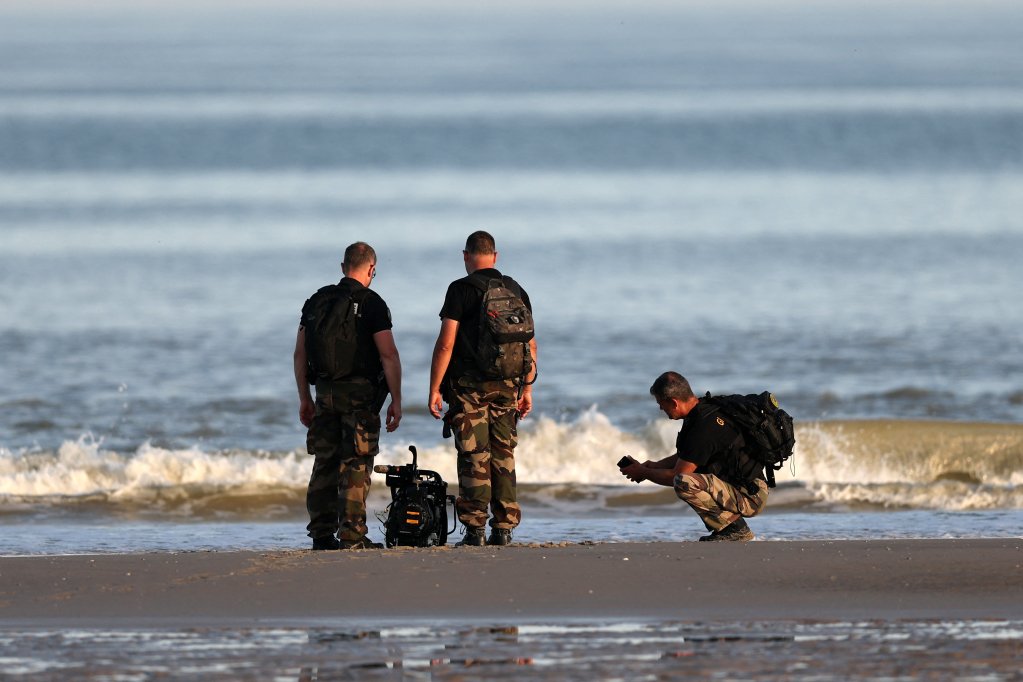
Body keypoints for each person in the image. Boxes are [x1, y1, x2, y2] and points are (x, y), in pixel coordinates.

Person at [428, 231, 537, 546]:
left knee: (474, 455)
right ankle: (503, 529)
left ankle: (475, 529)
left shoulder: (460, 290)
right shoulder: (514, 289)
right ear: (495, 256)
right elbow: (529, 343)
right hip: (508, 386)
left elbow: (445, 344)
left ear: (466, 256)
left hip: (469, 388)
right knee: (503, 454)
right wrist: (527, 389)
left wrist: (435, 388)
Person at [294, 242, 402, 550]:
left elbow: (300, 355)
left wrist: (305, 397)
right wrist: (396, 399)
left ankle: (321, 535)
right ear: (371, 269)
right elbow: (389, 355)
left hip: (324, 392)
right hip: (360, 396)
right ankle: (353, 536)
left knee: (324, 462)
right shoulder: (372, 303)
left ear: (343, 268)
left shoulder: (317, 301)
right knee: (356, 463)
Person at [619, 372, 768, 541]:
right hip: (741, 487)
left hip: (750, 496)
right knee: (685, 478)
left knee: (684, 482)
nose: (660, 409)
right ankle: (730, 527)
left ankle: (734, 529)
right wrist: (652, 466)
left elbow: (678, 475)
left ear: (674, 402)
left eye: (661, 404)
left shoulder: (704, 428)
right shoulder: (702, 412)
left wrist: (643, 473)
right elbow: (688, 455)